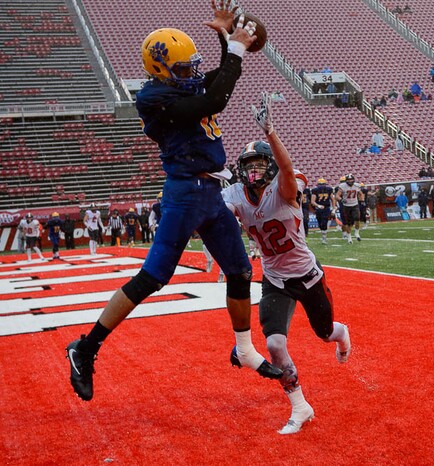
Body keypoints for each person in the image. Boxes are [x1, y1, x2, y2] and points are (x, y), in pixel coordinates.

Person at [65, 3, 281, 403]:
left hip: (211, 194)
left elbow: (218, 80)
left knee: (238, 271)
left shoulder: (180, 83)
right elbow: (215, 98)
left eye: (191, 66)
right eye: (183, 70)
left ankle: (244, 348)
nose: (192, 74)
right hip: (183, 194)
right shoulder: (154, 98)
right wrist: (232, 44)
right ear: (161, 70)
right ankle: (86, 346)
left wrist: (224, 36)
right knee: (153, 276)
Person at [221, 93, 351, 435]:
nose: (253, 171)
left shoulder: (285, 186)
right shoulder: (234, 193)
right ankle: (300, 406)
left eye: (260, 164)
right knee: (275, 345)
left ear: (271, 166)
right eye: (248, 166)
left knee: (325, 333)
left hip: (307, 275)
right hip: (275, 279)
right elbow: (220, 215)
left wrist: (271, 133)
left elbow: (289, 170)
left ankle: (342, 335)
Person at [336, 173, 364, 243]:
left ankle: (357, 233)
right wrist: (341, 199)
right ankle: (349, 238)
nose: (350, 181)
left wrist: (362, 200)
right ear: (346, 181)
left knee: (357, 219)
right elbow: (337, 196)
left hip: (355, 205)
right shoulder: (342, 186)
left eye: (351, 180)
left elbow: (361, 194)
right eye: (349, 180)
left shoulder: (357, 185)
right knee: (348, 223)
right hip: (346, 206)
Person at [311, 178, 336, 244]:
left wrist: (333, 209)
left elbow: (333, 199)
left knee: (324, 221)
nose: (321, 186)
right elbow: (312, 201)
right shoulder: (315, 191)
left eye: (323, 184)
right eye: (320, 184)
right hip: (318, 209)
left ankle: (324, 238)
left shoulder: (329, 190)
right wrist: (318, 205)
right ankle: (323, 234)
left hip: (326, 208)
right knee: (320, 223)